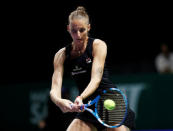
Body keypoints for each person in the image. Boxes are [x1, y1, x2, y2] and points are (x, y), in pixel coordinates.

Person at [50, 6, 135, 131]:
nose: (78, 35)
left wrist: (80, 97)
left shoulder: (98, 45)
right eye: (74, 31)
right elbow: (54, 89)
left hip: (109, 100)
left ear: (88, 28)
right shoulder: (61, 55)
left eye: (82, 30)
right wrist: (59, 101)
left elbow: (96, 79)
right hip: (88, 106)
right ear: (68, 29)